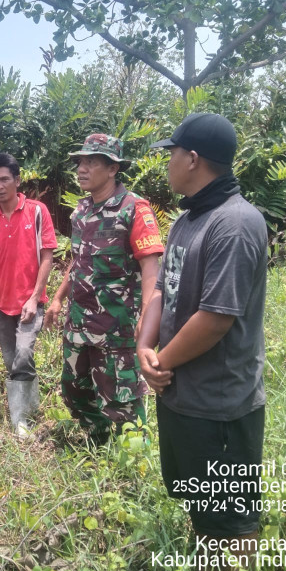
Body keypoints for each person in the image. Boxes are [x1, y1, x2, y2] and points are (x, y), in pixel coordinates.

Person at [136, 113, 267, 571]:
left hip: (220, 405)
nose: (167, 163)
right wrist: (145, 345)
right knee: (202, 503)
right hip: (182, 394)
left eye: (172, 154)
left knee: (233, 519)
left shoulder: (235, 224)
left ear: (192, 159)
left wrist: (161, 362)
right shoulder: (188, 220)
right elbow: (161, 293)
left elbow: (216, 319)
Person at [45, 134, 163, 444]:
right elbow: (79, 262)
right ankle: (99, 444)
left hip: (117, 329)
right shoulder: (82, 211)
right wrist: (58, 298)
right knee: (74, 392)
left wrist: (148, 319)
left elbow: (152, 268)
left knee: (122, 402)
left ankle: (134, 464)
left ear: (112, 169)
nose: (82, 169)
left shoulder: (134, 209)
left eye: (91, 162)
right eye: (80, 162)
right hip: (79, 324)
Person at [0, 152, 57, 438]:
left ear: (17, 180)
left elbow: (47, 257)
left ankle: (20, 420)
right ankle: (32, 405)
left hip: (29, 303)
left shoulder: (37, 212)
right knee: (12, 360)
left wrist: (35, 297)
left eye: (4, 179)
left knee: (23, 354)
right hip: (1, 305)